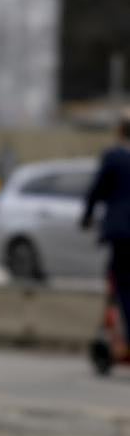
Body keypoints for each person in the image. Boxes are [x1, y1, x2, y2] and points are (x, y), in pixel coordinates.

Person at [82, 113, 130, 354]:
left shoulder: (115, 156)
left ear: (120, 131)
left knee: (121, 283)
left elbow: (98, 189)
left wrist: (87, 216)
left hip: (122, 231)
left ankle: (123, 337)